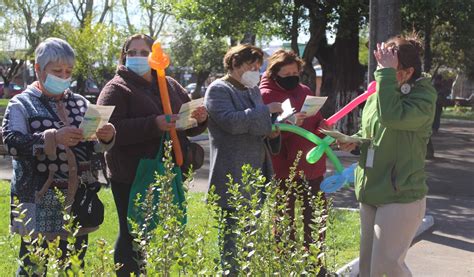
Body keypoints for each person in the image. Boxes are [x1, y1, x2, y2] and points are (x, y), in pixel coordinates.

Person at [2, 37, 116, 275]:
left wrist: (104, 137)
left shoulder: (81, 103)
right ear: (38, 69)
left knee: (73, 265)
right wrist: (52, 138)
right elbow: (11, 143)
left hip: (77, 199)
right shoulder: (21, 104)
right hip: (35, 199)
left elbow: (92, 149)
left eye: (68, 71)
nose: (64, 76)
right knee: (34, 266)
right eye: (57, 71)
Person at [97, 34, 208, 276]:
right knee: (132, 233)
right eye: (131, 52)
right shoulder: (116, 88)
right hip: (131, 173)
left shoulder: (168, 84)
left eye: (143, 52)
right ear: (124, 55)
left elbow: (186, 121)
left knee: (154, 230)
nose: (137, 57)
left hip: (166, 170)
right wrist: (153, 124)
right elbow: (109, 130)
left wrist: (199, 119)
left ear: (155, 55)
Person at [337, 35, 437, 277]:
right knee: (368, 268)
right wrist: (355, 141)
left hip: (400, 194)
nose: (380, 73)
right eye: (380, 66)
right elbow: (372, 130)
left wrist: (384, 78)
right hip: (371, 187)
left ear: (408, 71)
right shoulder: (380, 93)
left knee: (386, 268)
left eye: (389, 68)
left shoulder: (424, 97)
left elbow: (392, 117)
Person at [204, 44, 282, 273]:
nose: (256, 70)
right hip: (232, 174)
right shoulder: (218, 90)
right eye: (251, 65)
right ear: (235, 64)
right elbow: (233, 123)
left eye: (259, 66)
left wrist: (271, 129)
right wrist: (266, 112)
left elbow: (256, 125)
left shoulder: (252, 89)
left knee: (249, 238)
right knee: (231, 241)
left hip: (255, 172)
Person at [259, 50, 328, 254]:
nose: (291, 78)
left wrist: (325, 125)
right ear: (274, 74)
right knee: (284, 219)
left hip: (312, 163)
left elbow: (316, 121)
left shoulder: (304, 90)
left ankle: (315, 265)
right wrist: (287, 122)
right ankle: (286, 264)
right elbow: (265, 131)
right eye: (286, 74)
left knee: (315, 217)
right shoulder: (265, 96)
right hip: (284, 167)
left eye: (294, 73)